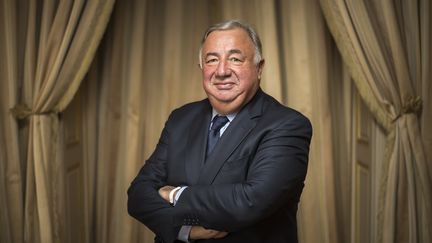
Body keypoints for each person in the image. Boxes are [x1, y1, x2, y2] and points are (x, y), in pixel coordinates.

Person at [127, 20, 312, 243]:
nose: (222, 71)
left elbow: (249, 202)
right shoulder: (181, 118)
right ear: (202, 68)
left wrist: (174, 194)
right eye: (212, 60)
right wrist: (184, 231)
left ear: (259, 68)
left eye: (235, 59)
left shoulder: (287, 125)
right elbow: (138, 194)